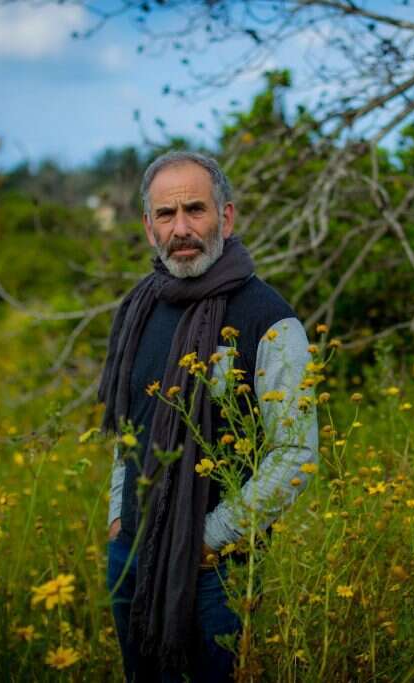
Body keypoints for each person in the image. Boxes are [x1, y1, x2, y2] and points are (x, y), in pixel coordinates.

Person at [98, 150, 318, 683]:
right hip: (132, 551)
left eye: (195, 210)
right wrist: (116, 512)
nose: (182, 229)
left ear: (226, 216)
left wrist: (211, 537)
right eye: (166, 216)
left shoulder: (270, 320)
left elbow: (297, 453)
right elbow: (129, 426)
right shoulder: (139, 308)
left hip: (215, 567)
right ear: (149, 228)